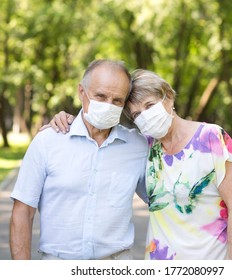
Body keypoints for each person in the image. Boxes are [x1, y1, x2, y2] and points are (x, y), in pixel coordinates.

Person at [50, 69, 232, 260]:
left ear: (169, 97)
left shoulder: (212, 138)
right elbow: (100, 136)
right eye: (136, 115)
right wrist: (64, 122)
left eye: (149, 105)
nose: (144, 116)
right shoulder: (144, 146)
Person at [9, 60, 149, 260]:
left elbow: (162, 201)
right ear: (82, 92)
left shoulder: (138, 147)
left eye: (117, 100)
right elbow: (23, 212)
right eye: (100, 96)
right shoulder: (48, 141)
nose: (108, 105)